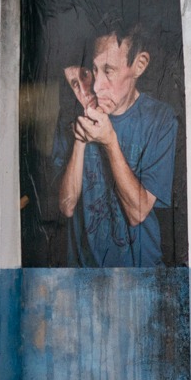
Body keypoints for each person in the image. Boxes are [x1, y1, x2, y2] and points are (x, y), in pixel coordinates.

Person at [53, 19, 177, 267]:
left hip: (141, 277)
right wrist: (79, 140)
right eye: (94, 71)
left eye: (108, 71)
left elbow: (138, 212)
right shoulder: (72, 118)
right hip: (82, 275)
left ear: (139, 65)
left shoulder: (160, 119)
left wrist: (109, 141)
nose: (97, 86)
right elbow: (66, 207)